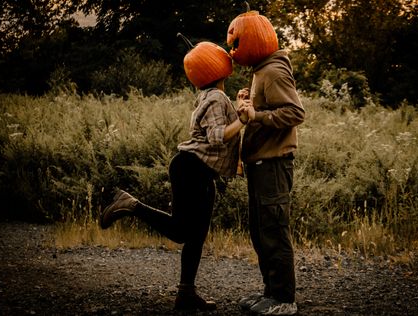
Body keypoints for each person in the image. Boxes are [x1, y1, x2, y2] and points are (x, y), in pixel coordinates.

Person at [99, 41, 251, 312]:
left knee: (196, 235)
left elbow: (218, 129)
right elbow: (218, 137)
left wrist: (238, 106)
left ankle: (186, 293)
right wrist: (243, 121)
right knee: (183, 231)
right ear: (218, 68)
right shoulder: (215, 98)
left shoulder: (211, 97)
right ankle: (129, 204)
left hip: (198, 171)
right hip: (191, 169)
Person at [235, 44, 305, 316]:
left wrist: (258, 115)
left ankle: (284, 299)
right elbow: (262, 113)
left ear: (256, 40)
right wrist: (250, 106)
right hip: (260, 164)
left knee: (274, 231)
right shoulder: (260, 71)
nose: (234, 47)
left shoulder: (274, 70)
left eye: (238, 42)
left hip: (274, 164)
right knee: (261, 232)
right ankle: (270, 293)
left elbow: (296, 113)